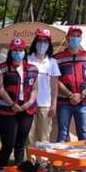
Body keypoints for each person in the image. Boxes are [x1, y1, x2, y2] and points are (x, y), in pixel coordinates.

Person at [0, 37, 38, 172]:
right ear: (10, 52)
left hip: (26, 110)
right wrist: (12, 104)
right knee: (8, 143)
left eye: (21, 51)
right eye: (15, 51)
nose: (18, 53)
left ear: (24, 51)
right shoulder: (2, 68)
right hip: (7, 110)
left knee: (20, 144)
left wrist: (28, 103)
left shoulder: (32, 68)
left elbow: (34, 89)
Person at [54, 26, 86, 142]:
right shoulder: (57, 58)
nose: (75, 38)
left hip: (83, 102)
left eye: (78, 36)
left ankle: (84, 159)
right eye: (73, 36)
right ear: (67, 38)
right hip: (64, 102)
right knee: (63, 134)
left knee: (84, 133)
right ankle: (60, 160)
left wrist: (82, 95)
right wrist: (70, 95)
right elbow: (55, 81)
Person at [27, 28, 60, 156]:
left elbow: (54, 86)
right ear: (35, 42)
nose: (42, 44)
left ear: (49, 44)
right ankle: (31, 162)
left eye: (45, 41)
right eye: (39, 41)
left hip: (45, 104)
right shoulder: (28, 60)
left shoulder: (52, 62)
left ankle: (43, 162)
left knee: (44, 135)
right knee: (30, 135)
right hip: (29, 103)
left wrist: (54, 104)